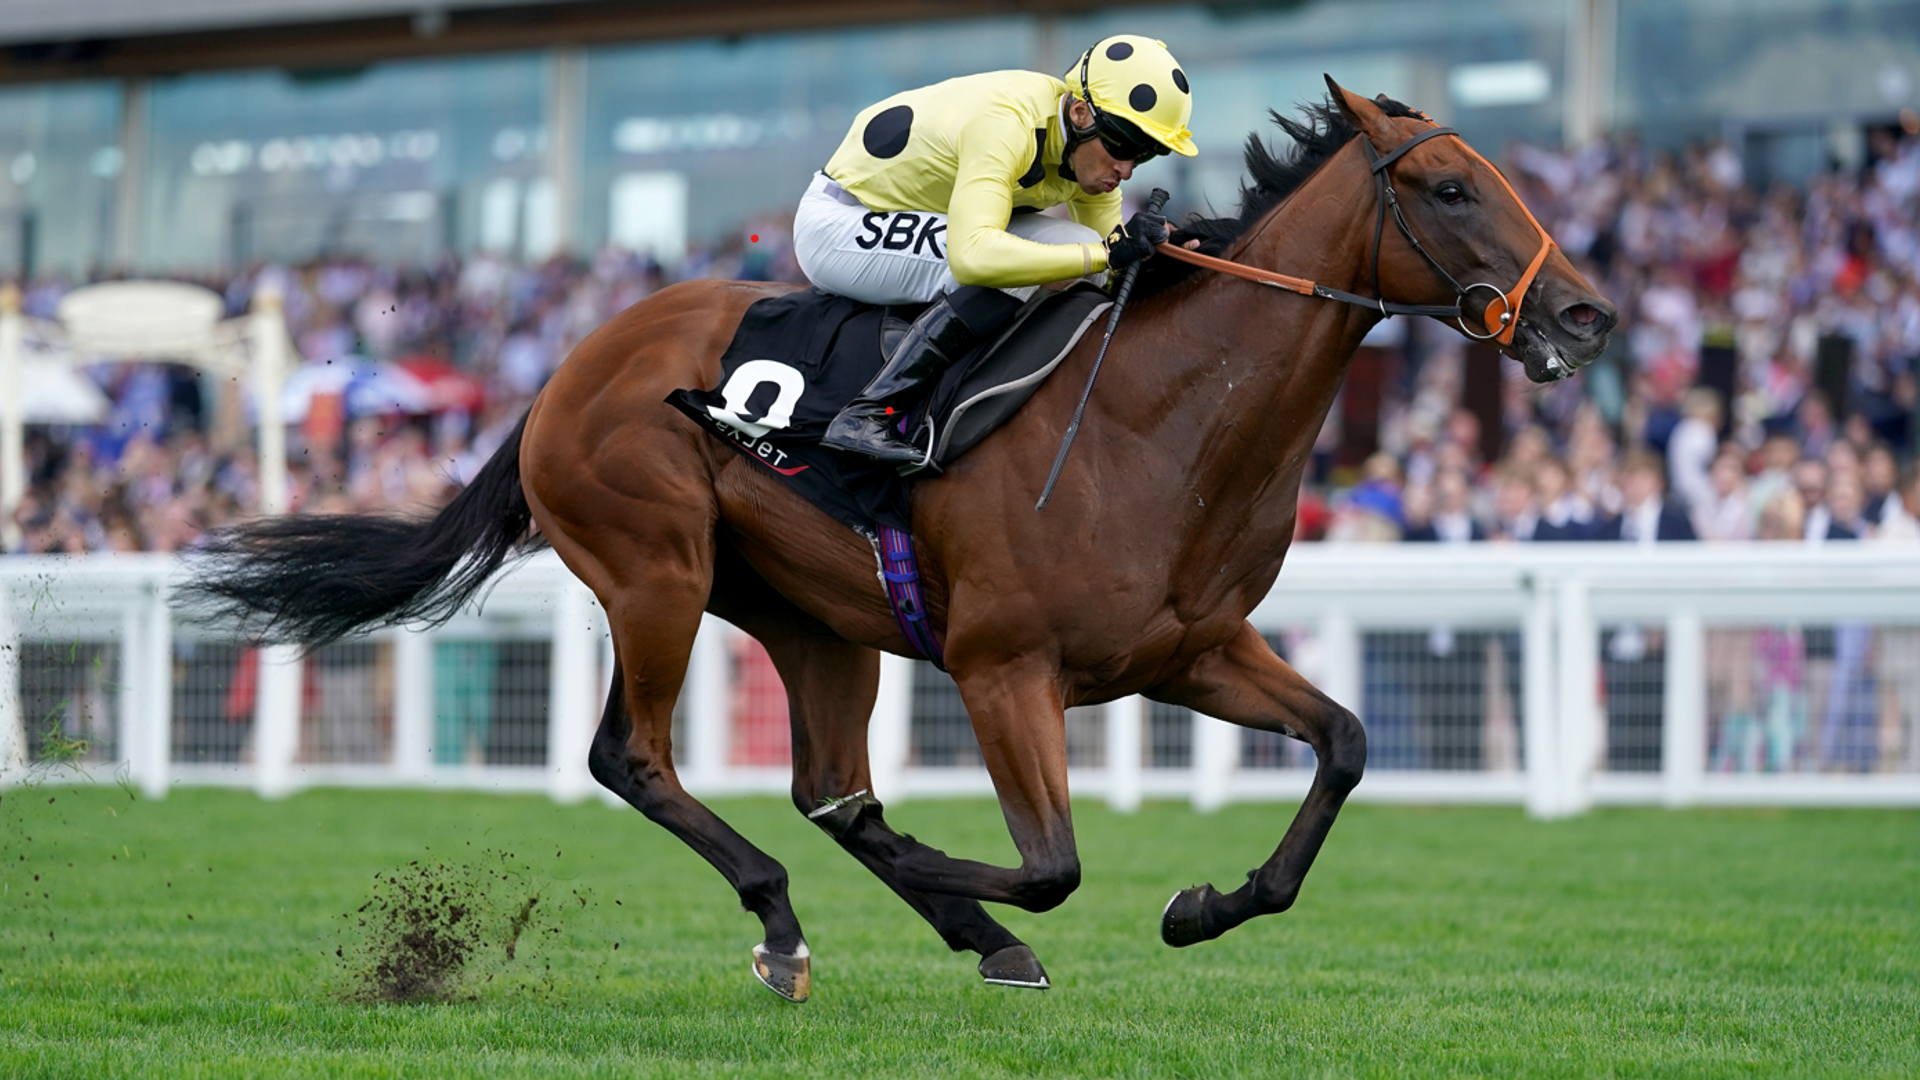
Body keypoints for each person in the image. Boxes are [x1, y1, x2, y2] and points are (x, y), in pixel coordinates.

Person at [792, 35, 1198, 463]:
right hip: (839, 223)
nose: (1127, 169)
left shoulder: (1086, 150)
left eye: (1146, 154)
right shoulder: (1009, 124)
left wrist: (1172, 257)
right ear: (1080, 113)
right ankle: (869, 413)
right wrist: (1105, 254)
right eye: (1124, 145)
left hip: (915, 216)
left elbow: (1111, 259)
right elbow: (974, 258)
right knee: (1020, 263)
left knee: (1077, 248)